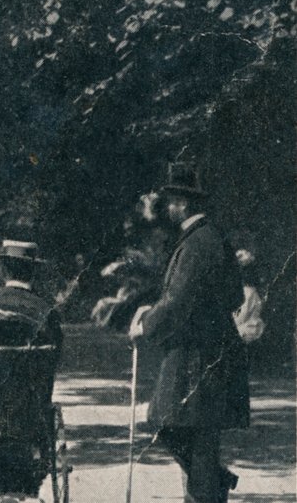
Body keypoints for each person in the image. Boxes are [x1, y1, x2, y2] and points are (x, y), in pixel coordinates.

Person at [130, 162, 249, 503]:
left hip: (198, 358)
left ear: (181, 204)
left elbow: (177, 302)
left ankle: (212, 486)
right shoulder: (209, 238)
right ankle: (214, 483)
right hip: (207, 355)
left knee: (181, 433)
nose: (165, 207)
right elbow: (234, 296)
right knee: (191, 439)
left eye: (168, 201)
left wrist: (145, 324)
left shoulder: (198, 244)